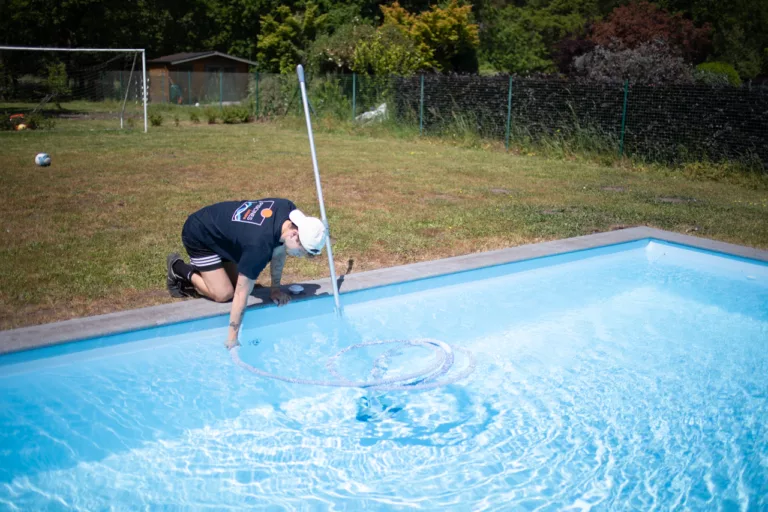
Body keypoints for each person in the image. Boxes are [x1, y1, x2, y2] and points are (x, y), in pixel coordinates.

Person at [166, 198, 326, 350]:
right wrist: (232, 338)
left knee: (235, 282)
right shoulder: (259, 247)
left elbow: (278, 252)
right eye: (302, 252)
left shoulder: (288, 211)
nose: (300, 256)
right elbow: (241, 294)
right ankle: (178, 268)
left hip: (226, 236)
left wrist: (275, 289)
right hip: (200, 234)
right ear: (294, 235)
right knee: (225, 294)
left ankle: (215, 268)